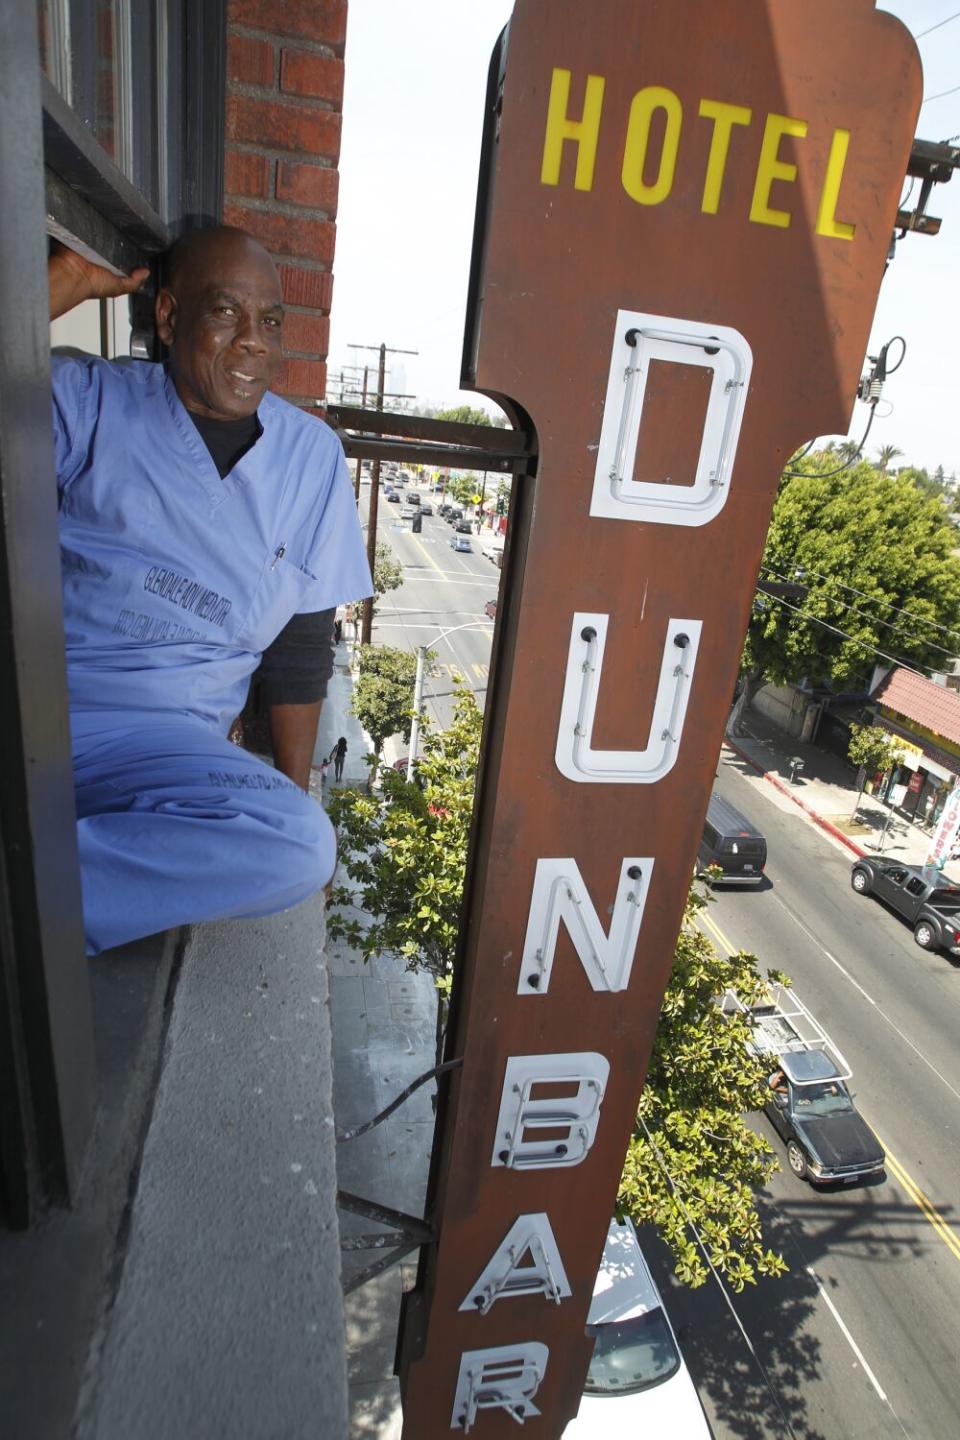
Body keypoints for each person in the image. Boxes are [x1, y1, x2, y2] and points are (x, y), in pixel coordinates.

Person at [48, 227, 372, 954]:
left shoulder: (311, 456)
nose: (254, 341)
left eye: (272, 322)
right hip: (49, 707)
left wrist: (296, 789)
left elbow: (298, 647)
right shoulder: (91, 401)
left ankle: (36, 901)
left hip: (172, 751)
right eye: (226, 312)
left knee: (299, 844)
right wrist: (61, 284)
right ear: (168, 319)